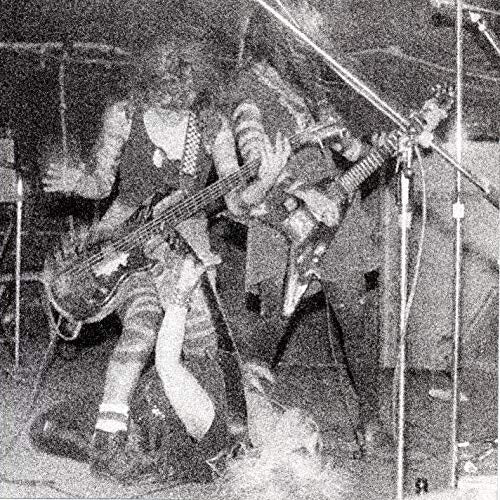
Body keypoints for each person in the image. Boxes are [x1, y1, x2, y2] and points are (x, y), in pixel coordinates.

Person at [42, 37, 290, 482]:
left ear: (195, 89)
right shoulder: (124, 114)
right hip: (124, 241)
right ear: (147, 85)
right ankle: (108, 440)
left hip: (186, 245)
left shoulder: (211, 125)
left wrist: (264, 182)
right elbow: (101, 183)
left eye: (182, 97)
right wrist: (78, 181)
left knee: (201, 350)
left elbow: (236, 202)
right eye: (162, 97)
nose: (172, 106)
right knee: (143, 322)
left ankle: (189, 437)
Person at [223, 6, 389, 457]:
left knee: (356, 322)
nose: (307, 42)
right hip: (283, 218)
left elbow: (352, 151)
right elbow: (254, 159)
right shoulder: (249, 89)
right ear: (277, 36)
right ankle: (242, 423)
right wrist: (300, 191)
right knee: (273, 325)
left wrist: (373, 147)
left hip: (335, 213)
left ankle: (371, 422)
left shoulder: (311, 93)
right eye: (298, 32)